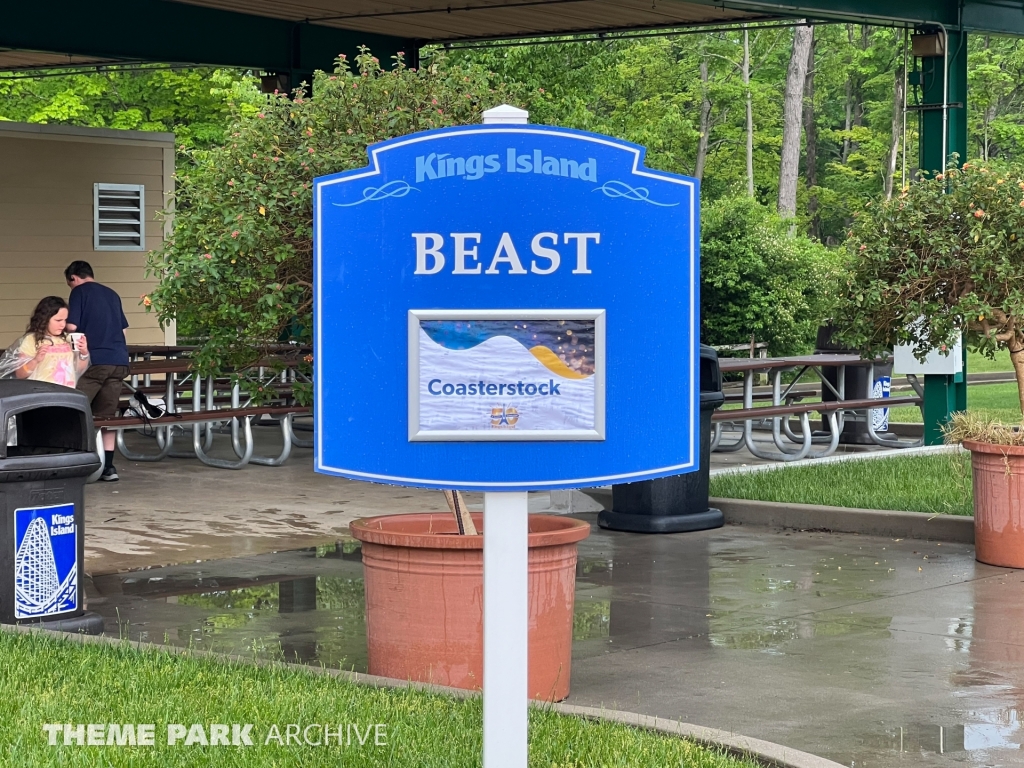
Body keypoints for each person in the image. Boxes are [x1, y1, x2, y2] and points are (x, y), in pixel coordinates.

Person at [65, 260, 130, 482]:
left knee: (74, 408)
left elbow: (73, 327)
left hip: (95, 361)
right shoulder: (112, 294)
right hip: (120, 360)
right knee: (107, 416)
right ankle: (108, 467)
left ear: (74, 278)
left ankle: (76, 463)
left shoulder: (79, 292)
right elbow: (123, 330)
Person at [12, 296, 90, 385]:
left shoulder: (68, 338)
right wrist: (35, 360)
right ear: (45, 319)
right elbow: (20, 374)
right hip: (42, 394)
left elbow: (77, 369)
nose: (63, 324)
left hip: (67, 393)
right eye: (58, 320)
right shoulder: (31, 340)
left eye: (65, 320)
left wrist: (84, 353)